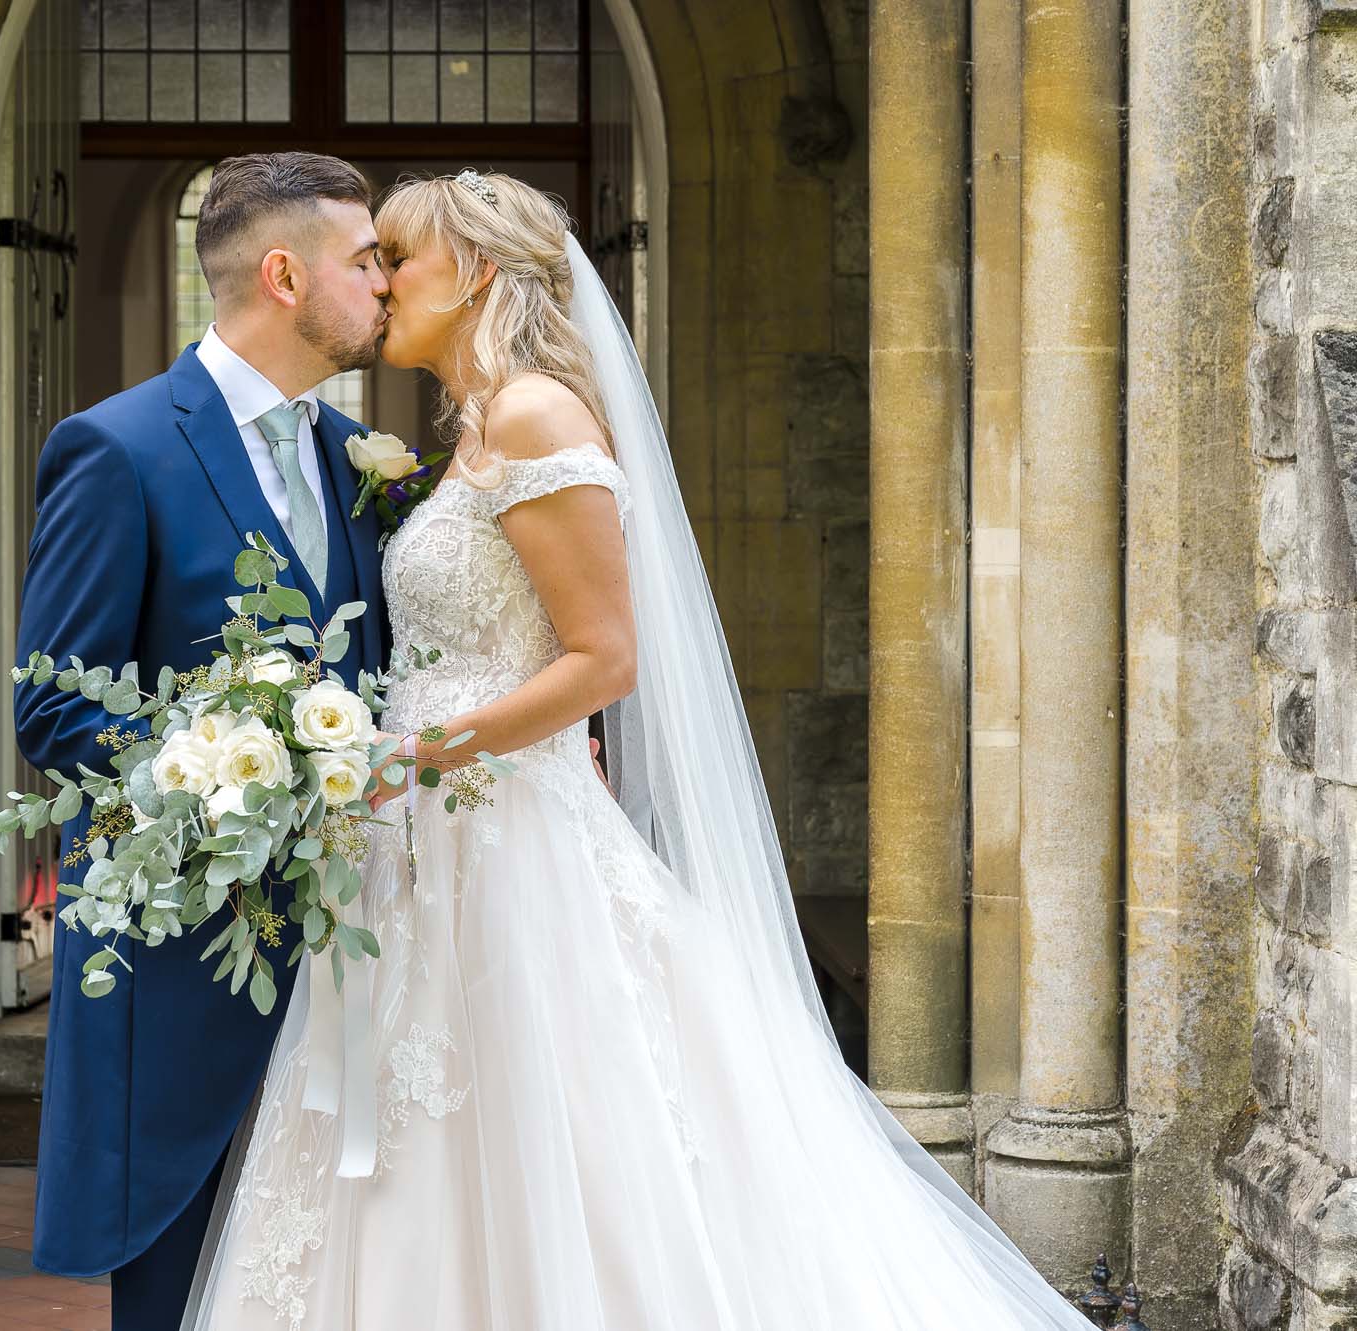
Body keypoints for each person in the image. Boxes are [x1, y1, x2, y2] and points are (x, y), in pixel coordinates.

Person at [176, 169, 1100, 1330]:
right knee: (424, 1137)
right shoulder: (463, 429)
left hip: (505, 842)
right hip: (426, 840)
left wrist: (409, 758)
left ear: (471, 272)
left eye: (396, 258)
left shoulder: (533, 416)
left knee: (561, 1138)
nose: (378, 283)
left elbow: (600, 660)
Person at [13, 151, 393, 1331]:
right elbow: (53, 706)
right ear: (284, 274)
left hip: (343, 946)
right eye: (366, 257)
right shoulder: (116, 448)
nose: (386, 280)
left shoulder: (355, 461)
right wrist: (252, 764)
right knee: (175, 1295)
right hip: (181, 957)